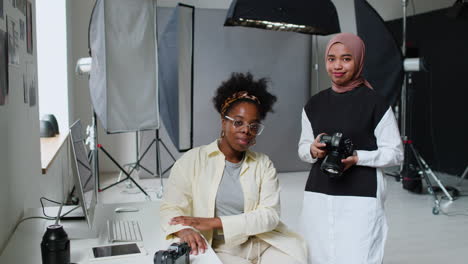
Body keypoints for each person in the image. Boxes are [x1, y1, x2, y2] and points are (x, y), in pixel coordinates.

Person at [160, 72, 307, 264]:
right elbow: (171, 207)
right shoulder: (192, 161)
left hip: (264, 242)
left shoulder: (263, 164)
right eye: (238, 122)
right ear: (224, 122)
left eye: (253, 125)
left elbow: (269, 216)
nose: (246, 130)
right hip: (221, 248)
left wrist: (212, 222)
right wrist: (184, 229)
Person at [298, 33, 403, 264]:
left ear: (358, 60)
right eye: (331, 59)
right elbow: (303, 148)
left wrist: (358, 157)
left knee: (359, 255)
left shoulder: (375, 103)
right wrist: (313, 150)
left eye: (346, 59)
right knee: (318, 254)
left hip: (362, 193)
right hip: (319, 191)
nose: (337, 66)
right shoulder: (314, 104)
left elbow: (395, 152)